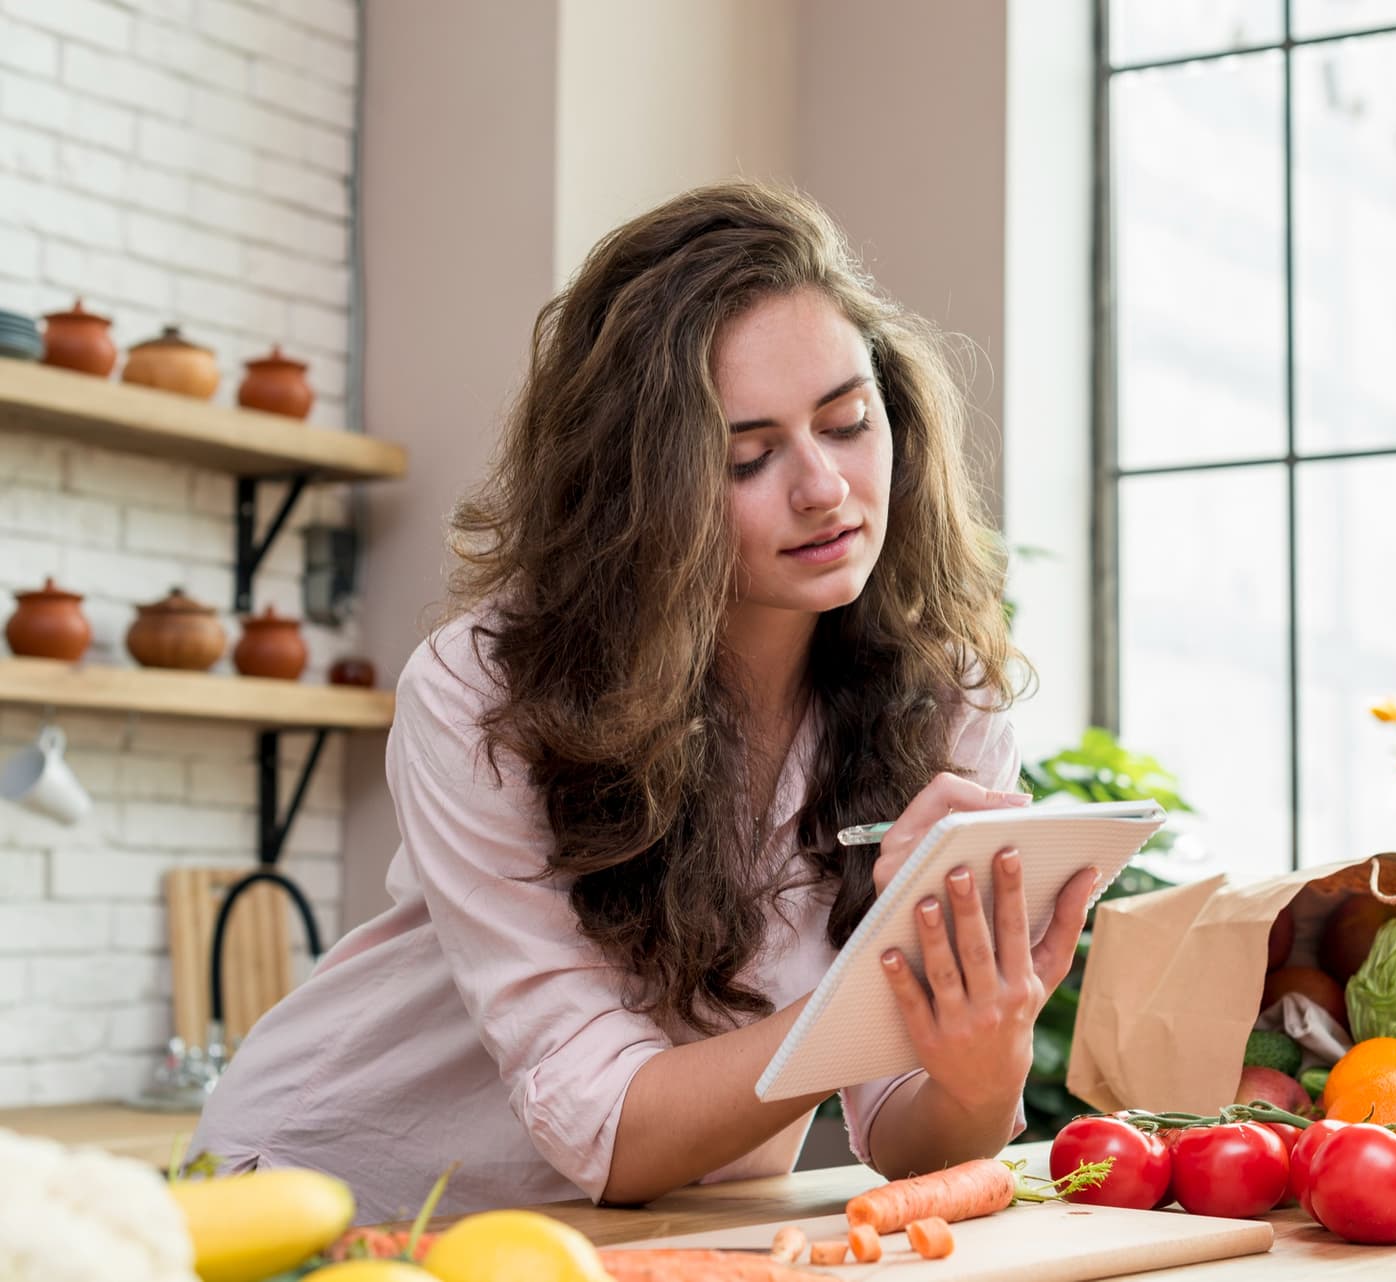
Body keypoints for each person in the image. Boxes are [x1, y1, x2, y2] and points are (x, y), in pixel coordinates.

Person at [189, 182, 1098, 1224]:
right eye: (745, 456)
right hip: (350, 1197)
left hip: (671, 1228)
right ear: (640, 487)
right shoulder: (483, 693)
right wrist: (888, 985)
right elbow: (604, 1126)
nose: (824, 488)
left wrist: (980, 1050)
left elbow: (908, 1132)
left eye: (848, 422)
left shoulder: (945, 701)